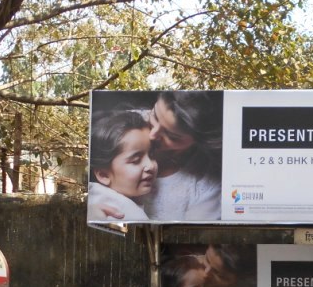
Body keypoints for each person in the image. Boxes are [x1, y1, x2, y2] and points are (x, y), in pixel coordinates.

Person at [94, 92, 222, 222]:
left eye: (172, 136)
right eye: (155, 116)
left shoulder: (207, 183)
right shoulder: (125, 125)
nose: (152, 135)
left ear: (197, 141)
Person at [87, 109, 158, 222]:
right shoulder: (120, 213)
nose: (151, 165)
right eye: (136, 160)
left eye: (152, 155)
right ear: (104, 175)